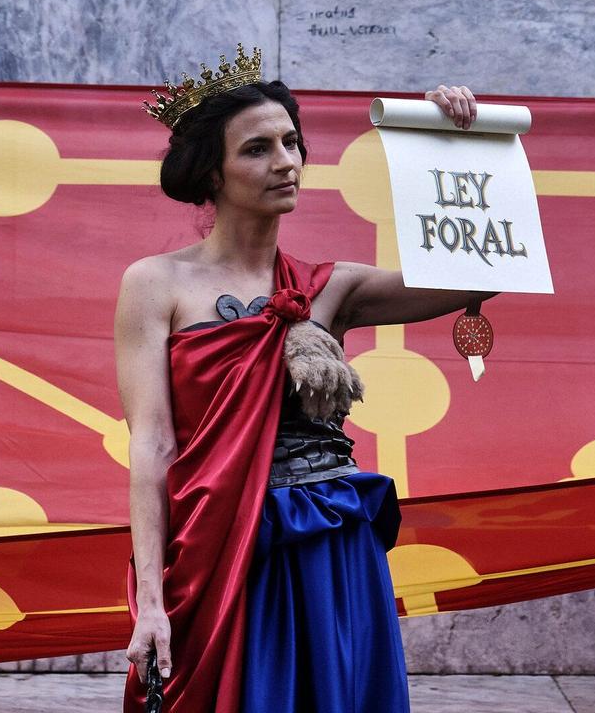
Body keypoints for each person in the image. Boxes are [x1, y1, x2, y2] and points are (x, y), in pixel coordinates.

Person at [114, 51, 488, 713]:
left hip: (331, 545)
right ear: (211, 171)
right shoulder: (155, 284)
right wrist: (149, 600)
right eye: (258, 148)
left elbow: (481, 275)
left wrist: (454, 150)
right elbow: (152, 445)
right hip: (223, 551)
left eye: (291, 142)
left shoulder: (333, 287)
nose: (285, 161)